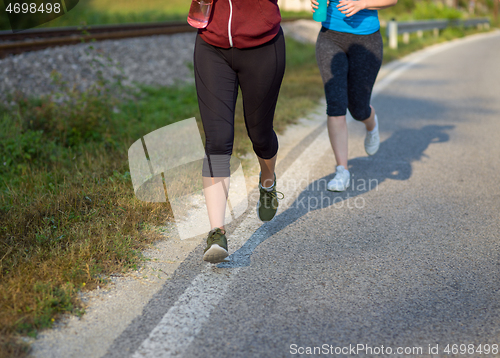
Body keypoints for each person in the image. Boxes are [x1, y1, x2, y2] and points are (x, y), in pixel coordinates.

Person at [194, 0, 286, 263]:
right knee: (217, 140)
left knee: (260, 135)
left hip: (263, 45)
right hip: (211, 44)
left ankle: (267, 181)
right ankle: (216, 232)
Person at [311, 0, 397, 191]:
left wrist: (363, 3)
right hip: (330, 37)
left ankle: (371, 124)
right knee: (336, 104)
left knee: (358, 109)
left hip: (367, 40)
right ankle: (342, 170)